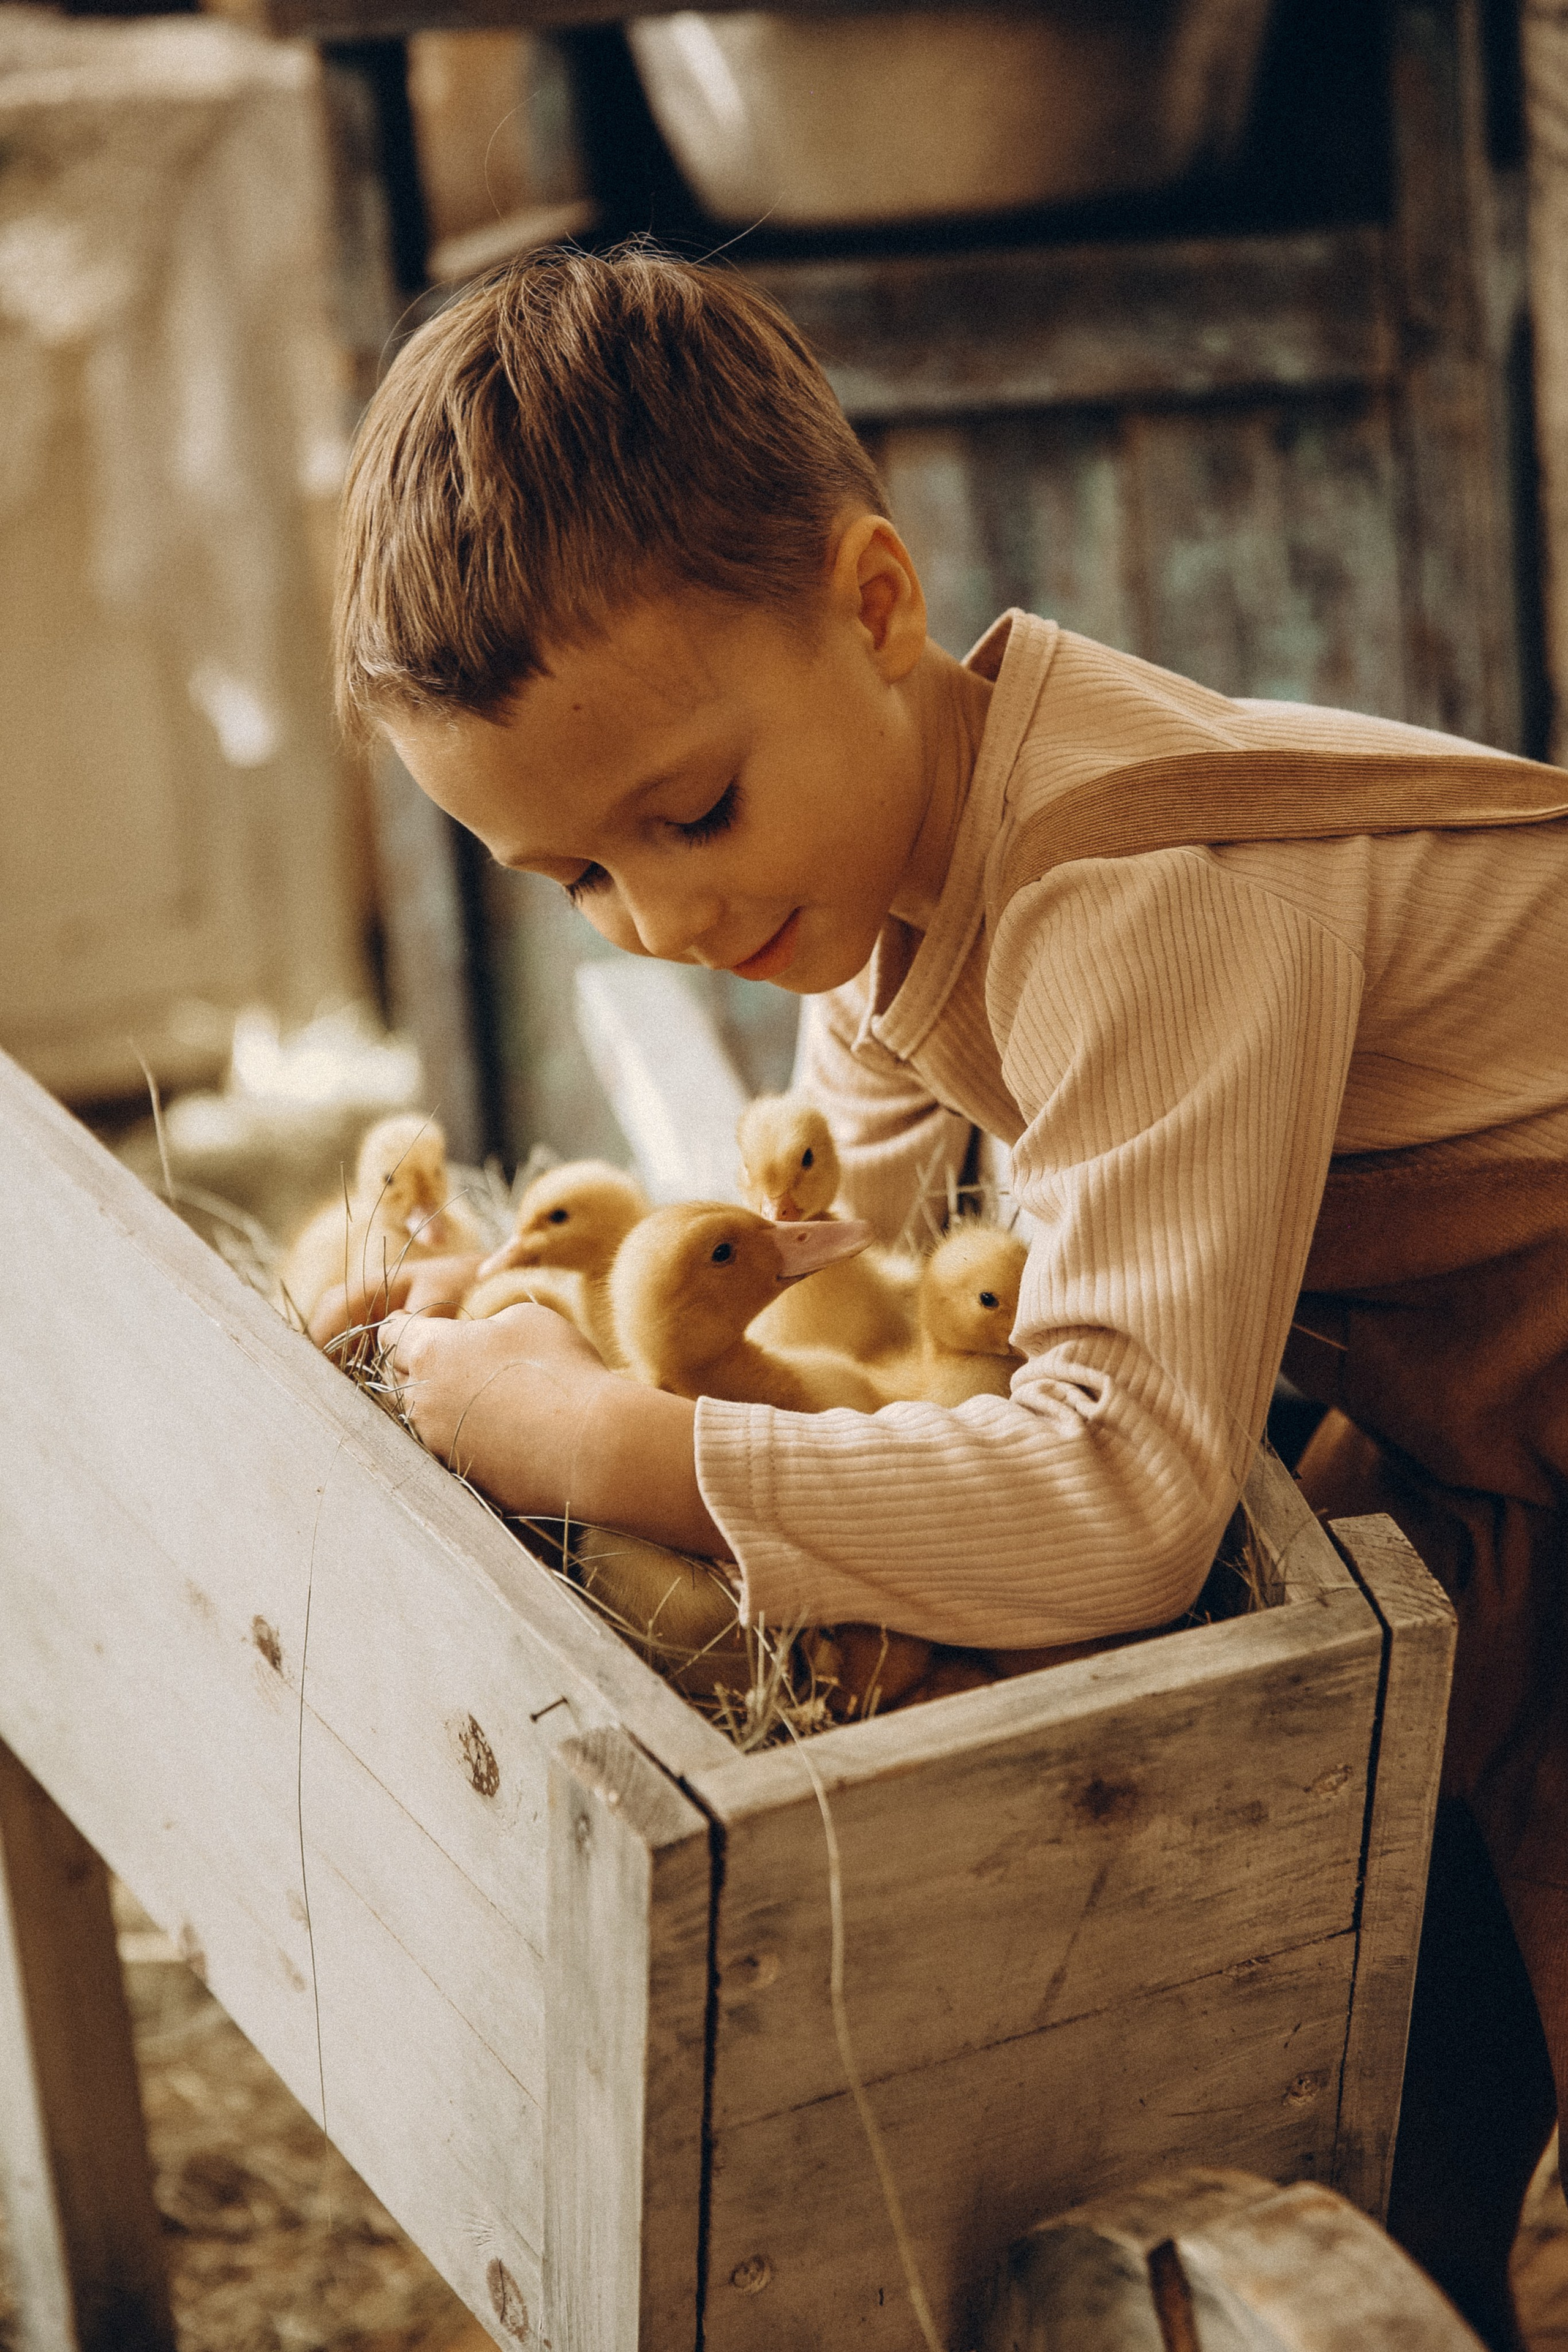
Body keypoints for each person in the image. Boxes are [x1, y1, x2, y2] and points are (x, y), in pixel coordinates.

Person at [328, 244, 1568, 2348]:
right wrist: (530, 1300)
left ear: (874, 605)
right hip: (1485, 1396)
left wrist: (618, 1443)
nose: (672, 918)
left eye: (689, 814)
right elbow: (806, 1267)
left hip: (1516, 1392)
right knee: (1362, 1834)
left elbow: (1124, 1494)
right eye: (584, 883)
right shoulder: (888, 873)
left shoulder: (1130, 885)